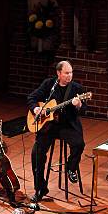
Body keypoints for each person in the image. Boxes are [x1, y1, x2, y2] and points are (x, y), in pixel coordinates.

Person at [27, 61, 86, 202]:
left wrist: (79, 105)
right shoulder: (49, 84)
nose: (69, 75)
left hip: (67, 125)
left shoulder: (77, 88)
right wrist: (36, 109)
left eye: (71, 72)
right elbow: (32, 98)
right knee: (37, 154)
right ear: (58, 73)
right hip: (49, 126)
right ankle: (40, 187)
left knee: (79, 144)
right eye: (66, 73)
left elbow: (84, 110)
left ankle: (71, 167)